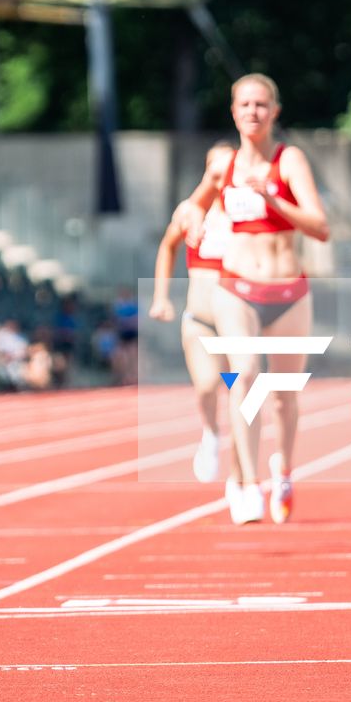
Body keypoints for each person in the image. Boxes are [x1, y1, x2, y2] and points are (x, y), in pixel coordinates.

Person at [178, 75, 331, 526]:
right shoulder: (223, 164)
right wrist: (190, 214)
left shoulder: (289, 160)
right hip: (236, 289)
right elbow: (195, 204)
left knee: (283, 397)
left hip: (287, 293)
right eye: (244, 104)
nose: (252, 112)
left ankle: (281, 468)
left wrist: (271, 198)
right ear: (233, 111)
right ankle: (245, 482)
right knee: (243, 378)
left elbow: (319, 226)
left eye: (261, 104)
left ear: (275, 111)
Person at [150, 142, 238, 490]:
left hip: (238, 320)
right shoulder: (190, 212)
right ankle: (211, 435)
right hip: (200, 319)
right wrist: (161, 297)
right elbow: (167, 246)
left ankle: (242, 470)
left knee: (238, 391)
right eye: (213, 170)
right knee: (206, 385)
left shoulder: (243, 216)